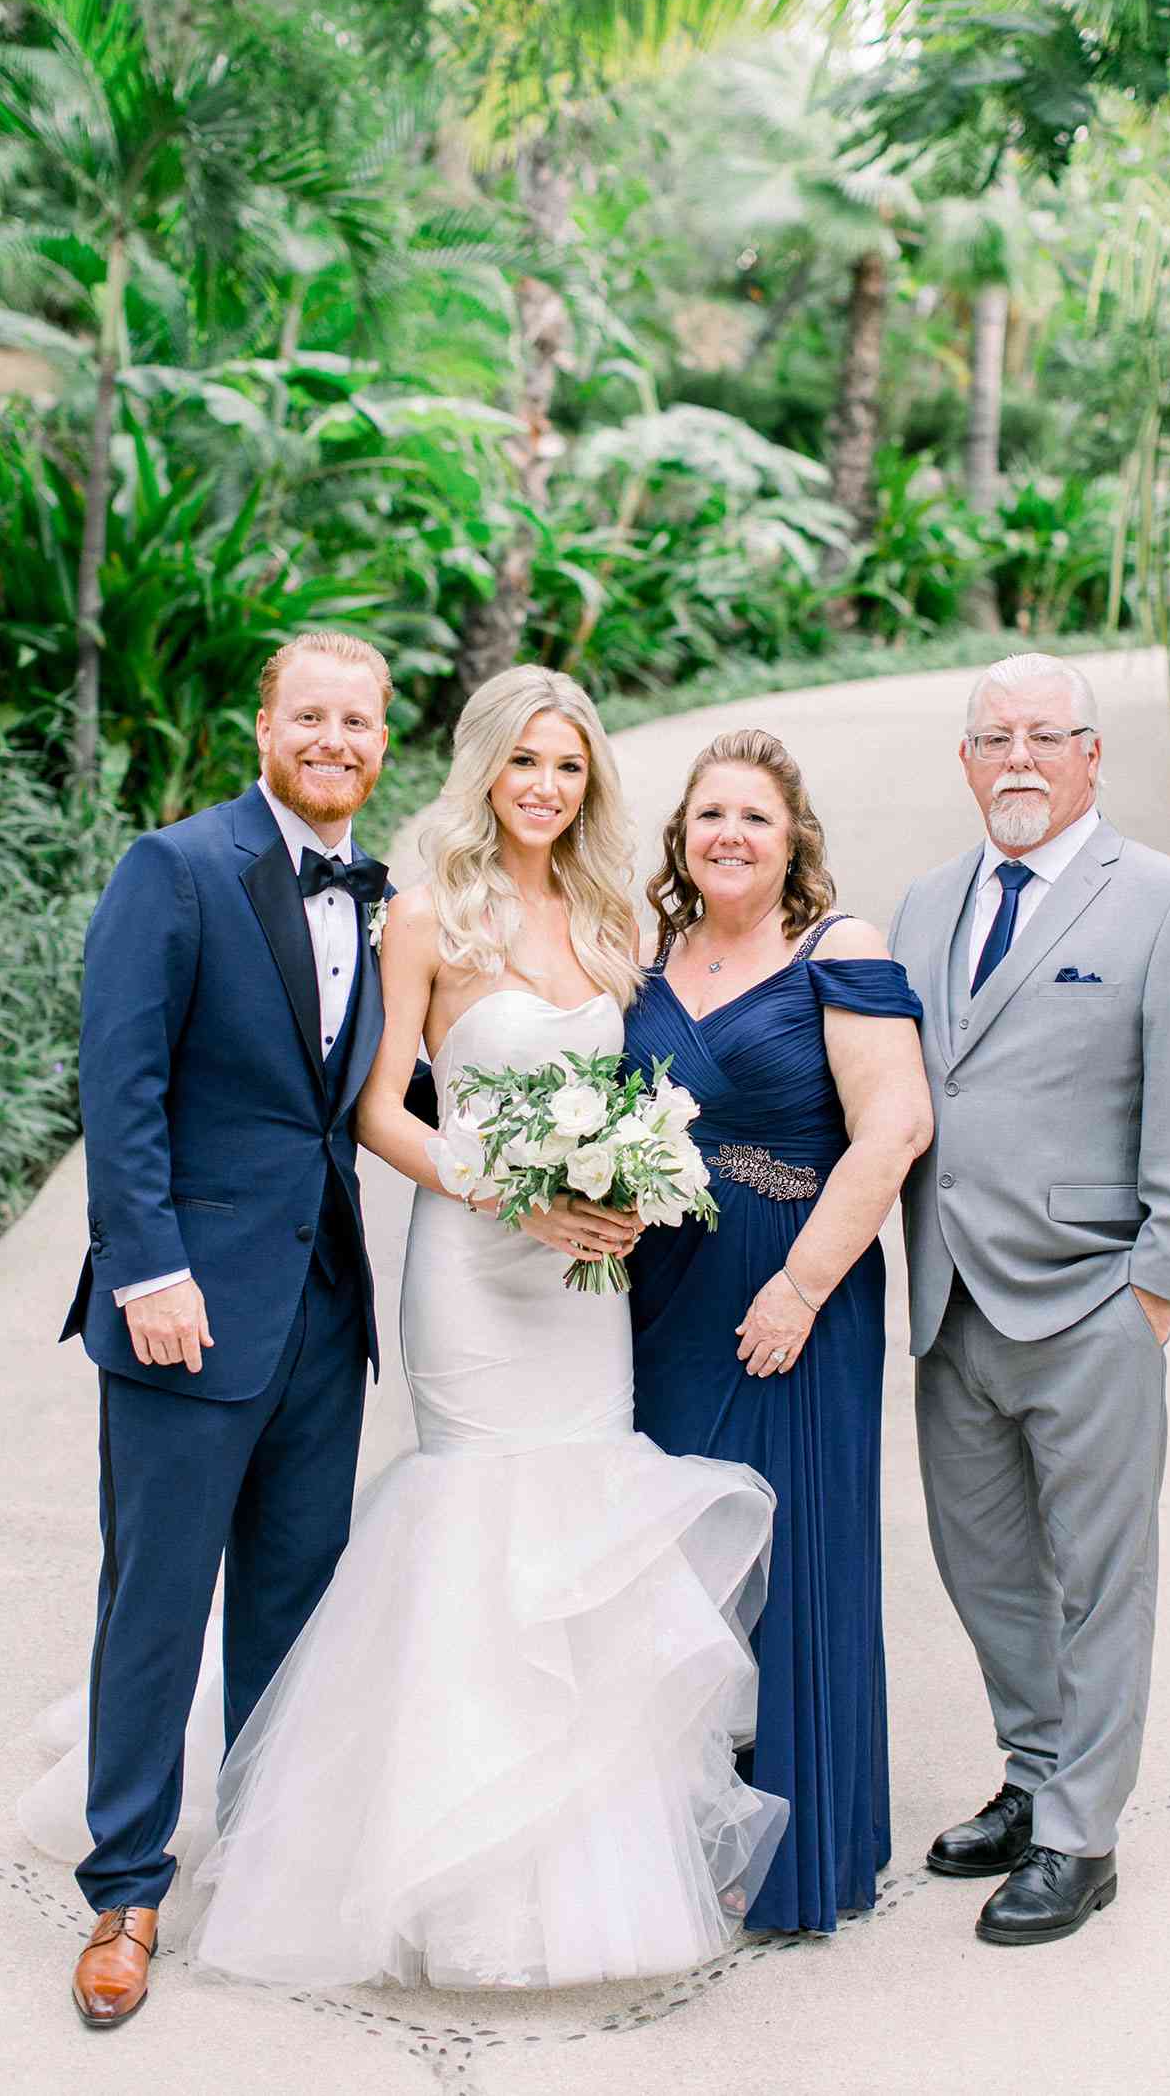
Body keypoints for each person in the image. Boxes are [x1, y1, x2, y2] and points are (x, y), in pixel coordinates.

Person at [183, 666, 786, 1990]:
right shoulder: (425, 909)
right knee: (476, 1535)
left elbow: (639, 1084)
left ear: (590, 784)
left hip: (585, 1290)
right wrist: (510, 1189)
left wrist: (627, 1188)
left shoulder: (608, 909)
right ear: (484, 769)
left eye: (569, 768)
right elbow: (380, 1109)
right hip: (473, 1268)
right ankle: (441, 1877)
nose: (546, 789)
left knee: (578, 1533)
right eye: (526, 764)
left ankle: (583, 1880)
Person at [56, 630, 400, 2028]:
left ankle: (261, 1865)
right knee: (155, 1607)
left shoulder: (380, 896)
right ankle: (126, 1889)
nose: (334, 739)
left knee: (293, 1608)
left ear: (384, 739)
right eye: (309, 714)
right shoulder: (178, 869)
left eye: (358, 719)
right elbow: (119, 1080)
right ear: (262, 725)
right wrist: (148, 1268)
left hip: (324, 1312)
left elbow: (361, 1097)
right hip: (185, 1310)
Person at [889, 651, 1170, 1947]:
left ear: (1092, 754)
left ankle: (1080, 1837)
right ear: (967, 760)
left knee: (1102, 1581)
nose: (1021, 759)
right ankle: (1032, 1772)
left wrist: (1150, 1296)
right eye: (996, 737)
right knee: (985, 1569)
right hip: (952, 1312)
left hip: (1092, 1304)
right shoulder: (925, 907)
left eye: (1048, 735)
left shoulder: (1166, 904)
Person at [621, 728, 932, 1935]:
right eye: (709, 815)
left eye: (754, 814)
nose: (730, 835)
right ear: (680, 839)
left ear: (794, 833)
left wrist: (801, 1286)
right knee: (677, 1564)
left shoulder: (836, 950)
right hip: (665, 1291)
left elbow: (895, 1123)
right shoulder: (652, 957)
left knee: (789, 1556)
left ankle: (801, 1853)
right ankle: (681, 1837)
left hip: (794, 1290)